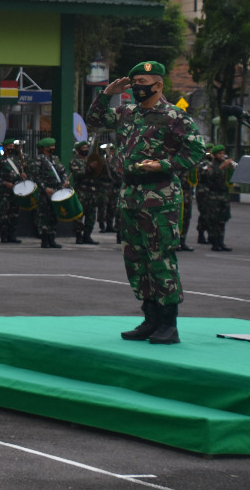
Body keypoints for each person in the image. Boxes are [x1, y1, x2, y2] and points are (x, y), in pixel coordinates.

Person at [86, 61, 204, 345]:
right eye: (134, 80)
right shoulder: (127, 113)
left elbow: (197, 149)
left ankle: (168, 323)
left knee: (160, 258)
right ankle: (149, 318)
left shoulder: (175, 116)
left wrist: (164, 164)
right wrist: (107, 92)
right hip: (130, 194)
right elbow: (94, 118)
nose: (138, 86)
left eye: (143, 81)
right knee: (135, 259)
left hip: (159, 195)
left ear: (158, 84)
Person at [32, 137, 69, 249]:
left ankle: (52, 239)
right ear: (45, 148)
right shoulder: (39, 159)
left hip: (56, 191)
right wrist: (44, 188)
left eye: (53, 146)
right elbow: (36, 176)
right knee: (44, 215)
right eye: (51, 147)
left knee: (53, 215)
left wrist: (65, 180)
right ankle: (44, 240)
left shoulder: (55, 159)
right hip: (45, 192)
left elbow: (63, 171)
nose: (53, 148)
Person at [199, 145, 236, 252]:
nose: (222, 155)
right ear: (214, 155)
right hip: (213, 195)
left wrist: (230, 168)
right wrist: (222, 167)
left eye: (223, 153)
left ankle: (221, 241)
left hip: (223, 195)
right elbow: (208, 176)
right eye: (220, 153)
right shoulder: (208, 164)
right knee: (213, 219)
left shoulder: (224, 165)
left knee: (222, 219)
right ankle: (214, 242)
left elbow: (230, 179)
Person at [0, 138, 28, 244]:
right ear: (5, 147)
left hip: (16, 191)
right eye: (9, 147)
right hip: (5, 192)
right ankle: (4, 235)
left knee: (14, 214)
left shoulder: (17, 160)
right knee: (4, 214)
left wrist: (23, 175)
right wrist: (5, 183)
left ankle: (12, 235)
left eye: (13, 146)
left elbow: (21, 173)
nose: (11, 148)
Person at [68, 141, 101, 245]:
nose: (86, 149)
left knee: (91, 215)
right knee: (79, 215)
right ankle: (78, 236)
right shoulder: (74, 161)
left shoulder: (90, 160)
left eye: (87, 147)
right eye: (83, 147)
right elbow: (78, 175)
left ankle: (87, 235)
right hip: (81, 191)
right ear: (78, 149)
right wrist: (90, 167)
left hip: (92, 191)